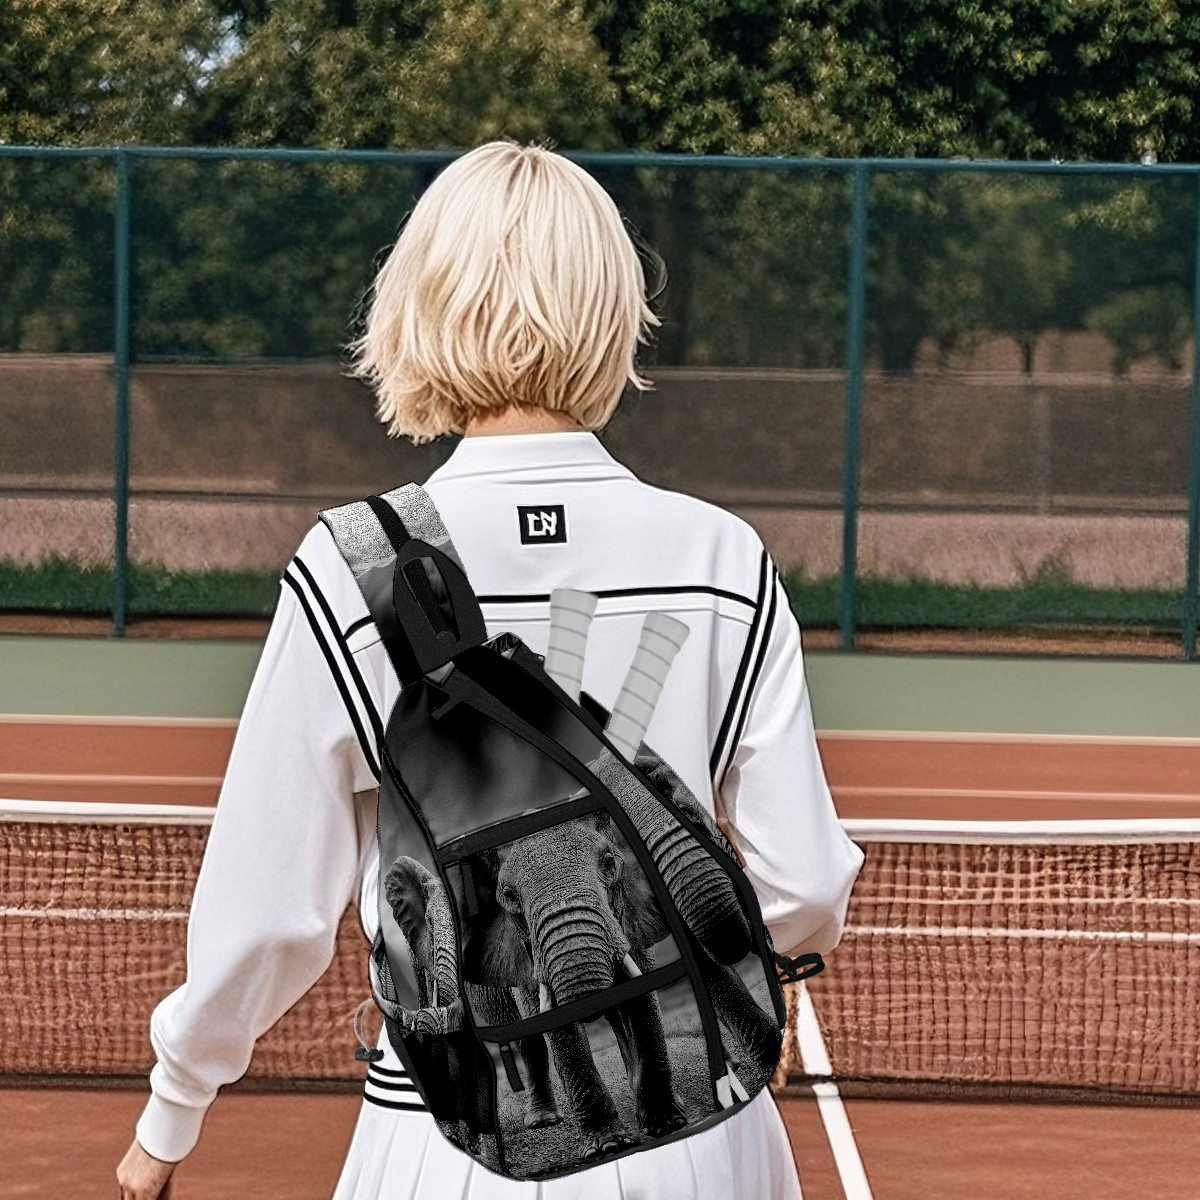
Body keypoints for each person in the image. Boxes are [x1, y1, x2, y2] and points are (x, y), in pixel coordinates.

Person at [118, 138, 864, 1200]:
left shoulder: (351, 566)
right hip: (699, 1122)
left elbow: (269, 914)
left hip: (446, 1129)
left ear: (422, 307)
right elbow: (808, 885)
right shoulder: (722, 557)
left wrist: (172, 1111)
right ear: (615, 311)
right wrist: (736, 983)